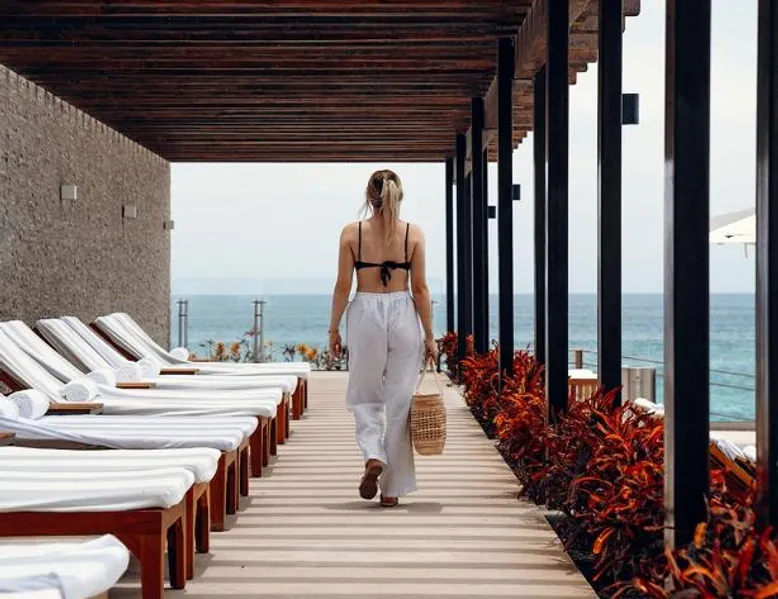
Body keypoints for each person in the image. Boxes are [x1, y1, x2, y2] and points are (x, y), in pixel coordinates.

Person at [328, 169, 438, 508]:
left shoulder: (352, 233)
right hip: (403, 313)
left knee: (365, 394)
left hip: (365, 312)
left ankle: (373, 454)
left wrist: (333, 330)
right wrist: (430, 336)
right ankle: (391, 490)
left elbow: (343, 286)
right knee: (400, 400)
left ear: (368, 196)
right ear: (398, 196)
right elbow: (420, 288)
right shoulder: (413, 234)